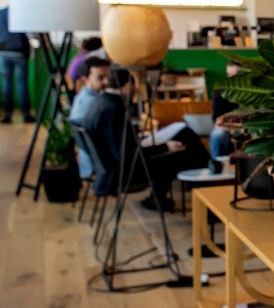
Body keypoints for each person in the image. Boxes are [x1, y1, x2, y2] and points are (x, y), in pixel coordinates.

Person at [81, 67, 209, 212]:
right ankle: (207, 202)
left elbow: (121, 147)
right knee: (189, 153)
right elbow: (126, 154)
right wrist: (165, 147)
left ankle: (158, 198)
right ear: (127, 85)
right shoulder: (114, 109)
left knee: (184, 139)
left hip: (110, 171)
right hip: (124, 174)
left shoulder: (100, 102)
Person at [0, 4, 33, 123]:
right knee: (22, 84)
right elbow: (30, 33)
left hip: (3, 52)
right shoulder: (20, 13)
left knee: (7, 84)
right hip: (19, 52)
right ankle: (26, 115)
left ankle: (7, 115)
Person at [69, 55, 110, 181]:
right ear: (85, 79)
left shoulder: (83, 97)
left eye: (108, 77)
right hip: (100, 164)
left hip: (90, 163)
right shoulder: (94, 103)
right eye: (100, 78)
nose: (106, 82)